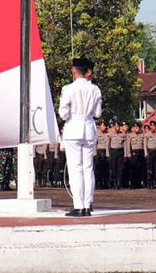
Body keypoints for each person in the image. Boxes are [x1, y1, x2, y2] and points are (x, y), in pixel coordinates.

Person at [58, 57, 102, 217]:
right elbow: (97, 113)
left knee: (76, 169)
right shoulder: (95, 89)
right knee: (88, 168)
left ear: (74, 71)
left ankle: (79, 205)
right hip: (89, 127)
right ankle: (88, 203)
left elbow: (63, 114)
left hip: (74, 127)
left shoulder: (68, 89)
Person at [143, 123, 156, 189]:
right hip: (150, 152)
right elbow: (145, 145)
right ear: (150, 126)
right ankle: (149, 183)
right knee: (150, 168)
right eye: (152, 126)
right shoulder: (147, 135)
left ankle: (155, 182)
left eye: (155, 126)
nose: (153, 127)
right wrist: (146, 153)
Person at [108, 123, 126, 189]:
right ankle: (114, 183)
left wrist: (125, 154)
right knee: (113, 168)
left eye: (119, 126)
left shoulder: (122, 134)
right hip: (113, 151)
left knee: (120, 168)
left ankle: (119, 183)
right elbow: (108, 144)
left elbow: (125, 145)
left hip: (120, 152)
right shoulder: (110, 134)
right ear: (114, 127)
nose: (118, 128)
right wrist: (108, 154)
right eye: (117, 126)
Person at [126, 123, 144, 189]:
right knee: (133, 169)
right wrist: (129, 154)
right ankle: (133, 184)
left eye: (138, 128)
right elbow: (128, 145)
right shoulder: (130, 135)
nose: (137, 129)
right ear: (133, 128)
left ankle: (138, 183)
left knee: (140, 169)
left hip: (140, 152)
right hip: (134, 152)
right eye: (135, 128)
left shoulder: (141, 135)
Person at [95, 122, 110, 189]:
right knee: (98, 169)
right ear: (100, 126)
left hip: (106, 152)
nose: (104, 127)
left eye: (105, 126)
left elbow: (108, 144)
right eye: (103, 125)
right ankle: (98, 183)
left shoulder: (107, 133)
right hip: (99, 151)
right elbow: (95, 143)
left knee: (106, 169)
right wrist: (95, 153)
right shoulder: (97, 133)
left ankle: (105, 183)